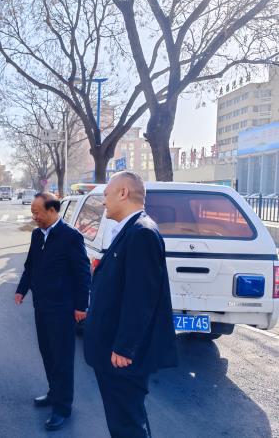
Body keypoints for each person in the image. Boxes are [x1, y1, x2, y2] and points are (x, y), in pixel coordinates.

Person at [83, 171, 178, 438]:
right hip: (113, 349)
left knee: (126, 424)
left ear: (123, 193)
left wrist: (125, 347)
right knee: (128, 419)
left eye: (106, 194)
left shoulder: (141, 233)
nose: (104, 201)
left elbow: (141, 298)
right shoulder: (131, 229)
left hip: (122, 356)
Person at [15, 192, 91, 431]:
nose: (34, 217)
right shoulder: (37, 235)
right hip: (42, 307)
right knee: (47, 353)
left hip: (63, 309)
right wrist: (22, 289)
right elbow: (31, 266)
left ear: (52, 210)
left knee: (62, 359)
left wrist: (81, 306)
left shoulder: (71, 236)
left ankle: (62, 407)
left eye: (37, 213)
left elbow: (82, 273)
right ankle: (53, 392)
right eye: (32, 213)